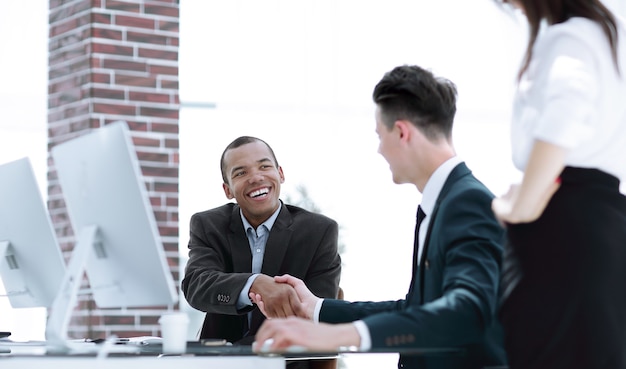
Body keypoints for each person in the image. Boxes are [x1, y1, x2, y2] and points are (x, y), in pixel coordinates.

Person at [251, 65, 507, 369]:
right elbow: (415, 309)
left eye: (379, 135)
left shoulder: (467, 202)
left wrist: (342, 336)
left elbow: (466, 312)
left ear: (401, 132)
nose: (379, 149)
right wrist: (316, 308)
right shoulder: (442, 204)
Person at [491, 1, 626, 369]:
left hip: (559, 236)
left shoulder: (569, 37)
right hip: (606, 225)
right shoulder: (609, 34)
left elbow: (566, 110)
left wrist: (516, 206)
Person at [181, 136, 342, 346]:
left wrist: (244, 351)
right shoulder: (208, 225)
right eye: (241, 173)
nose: (256, 178)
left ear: (280, 174)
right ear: (228, 190)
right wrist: (253, 284)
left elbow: (314, 319)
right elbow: (197, 286)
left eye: (264, 166)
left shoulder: (320, 231)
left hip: (286, 362)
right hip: (218, 362)